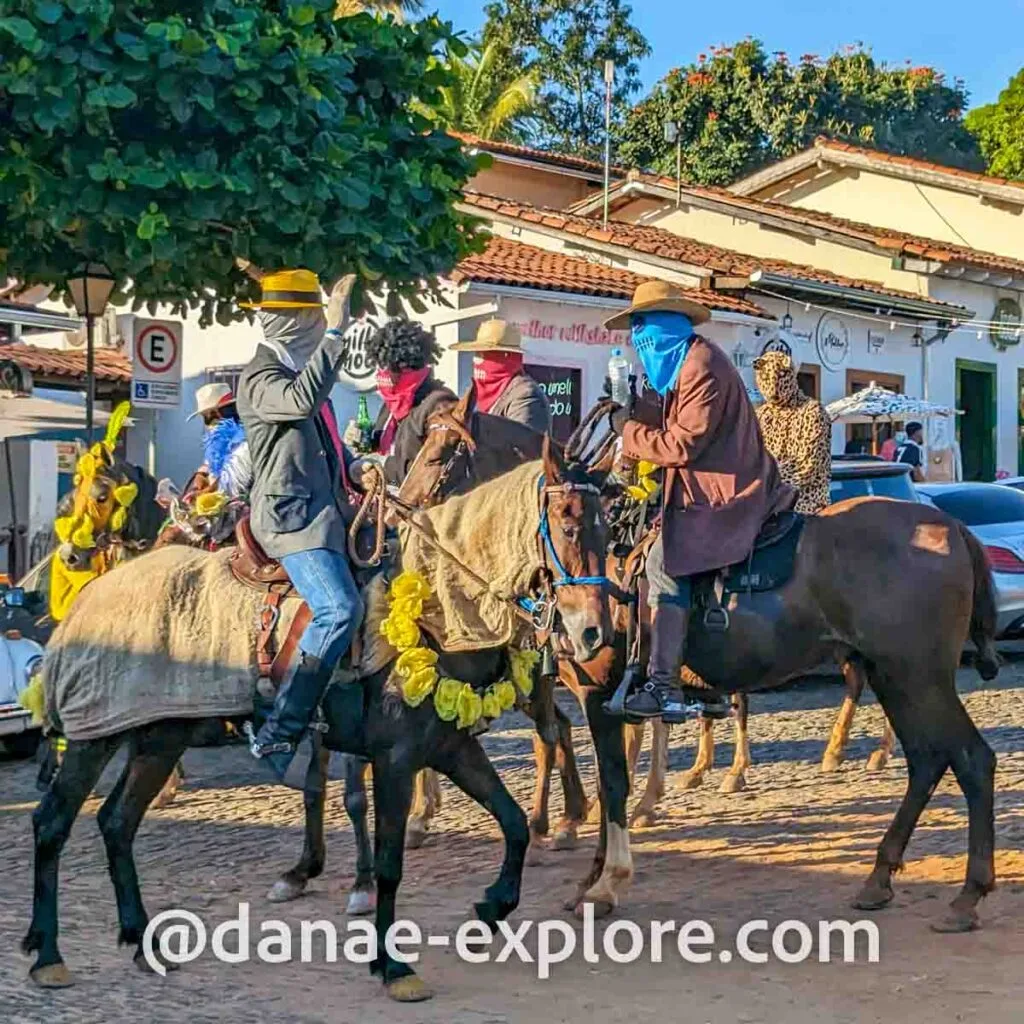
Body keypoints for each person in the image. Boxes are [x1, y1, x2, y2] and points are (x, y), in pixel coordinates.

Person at [607, 281, 796, 723]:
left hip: (726, 490)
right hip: (699, 486)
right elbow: (657, 426)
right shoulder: (673, 369)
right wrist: (632, 410)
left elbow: (681, 446)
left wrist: (626, 430)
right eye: (635, 331)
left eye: (643, 328)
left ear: (666, 326)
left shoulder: (700, 366)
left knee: (663, 562)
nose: (638, 340)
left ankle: (666, 684)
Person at [236, 267, 364, 786]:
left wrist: (356, 466)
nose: (321, 327)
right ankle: (278, 730)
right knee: (339, 608)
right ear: (297, 324)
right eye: (315, 320)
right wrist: (335, 337)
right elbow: (300, 405)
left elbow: (319, 442)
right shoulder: (263, 377)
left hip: (326, 514)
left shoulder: (297, 371)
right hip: (291, 520)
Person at [366, 319, 457, 487]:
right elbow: (382, 447)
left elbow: (433, 468)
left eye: (391, 366)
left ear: (410, 366)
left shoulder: (441, 403)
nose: (384, 372)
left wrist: (380, 465)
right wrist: (365, 441)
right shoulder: (391, 403)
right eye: (381, 365)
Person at [753, 352, 832, 515]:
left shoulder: (813, 412)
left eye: (779, 379)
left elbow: (807, 466)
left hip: (806, 504)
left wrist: (769, 486)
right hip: (767, 499)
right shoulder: (761, 415)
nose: (773, 388)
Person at [450, 319, 551, 434]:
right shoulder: (473, 392)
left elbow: (520, 446)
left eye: (483, 355)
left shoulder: (526, 396)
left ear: (504, 358)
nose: (476, 360)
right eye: (476, 354)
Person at [188, 382, 253, 500]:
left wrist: (204, 493)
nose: (211, 422)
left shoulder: (245, 440)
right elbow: (212, 460)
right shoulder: (217, 440)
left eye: (212, 415)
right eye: (206, 417)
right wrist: (202, 474)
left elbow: (232, 484)